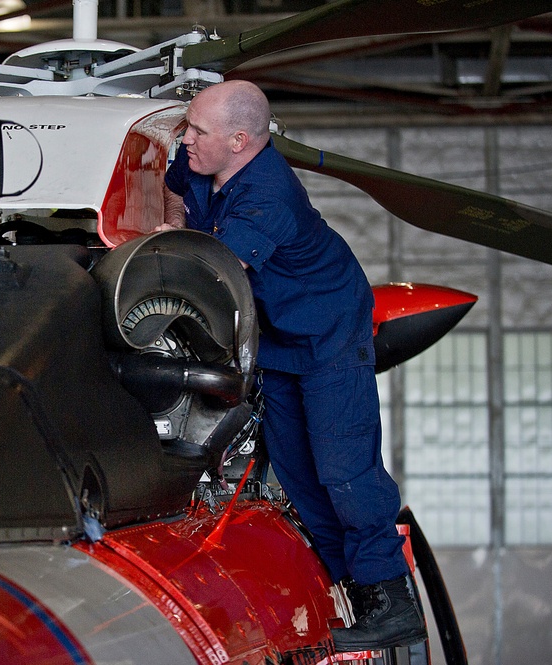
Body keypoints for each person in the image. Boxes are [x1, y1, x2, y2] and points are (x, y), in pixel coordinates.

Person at [159, 80, 426, 651]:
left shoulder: (267, 195)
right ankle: (353, 589)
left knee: (344, 470)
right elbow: (176, 193)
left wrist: (170, 247)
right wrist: (175, 221)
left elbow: (217, 268)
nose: (186, 140)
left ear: (238, 141)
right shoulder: (204, 164)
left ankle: (393, 599)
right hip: (279, 338)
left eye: (198, 131)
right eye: (187, 126)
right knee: (300, 474)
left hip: (327, 332)